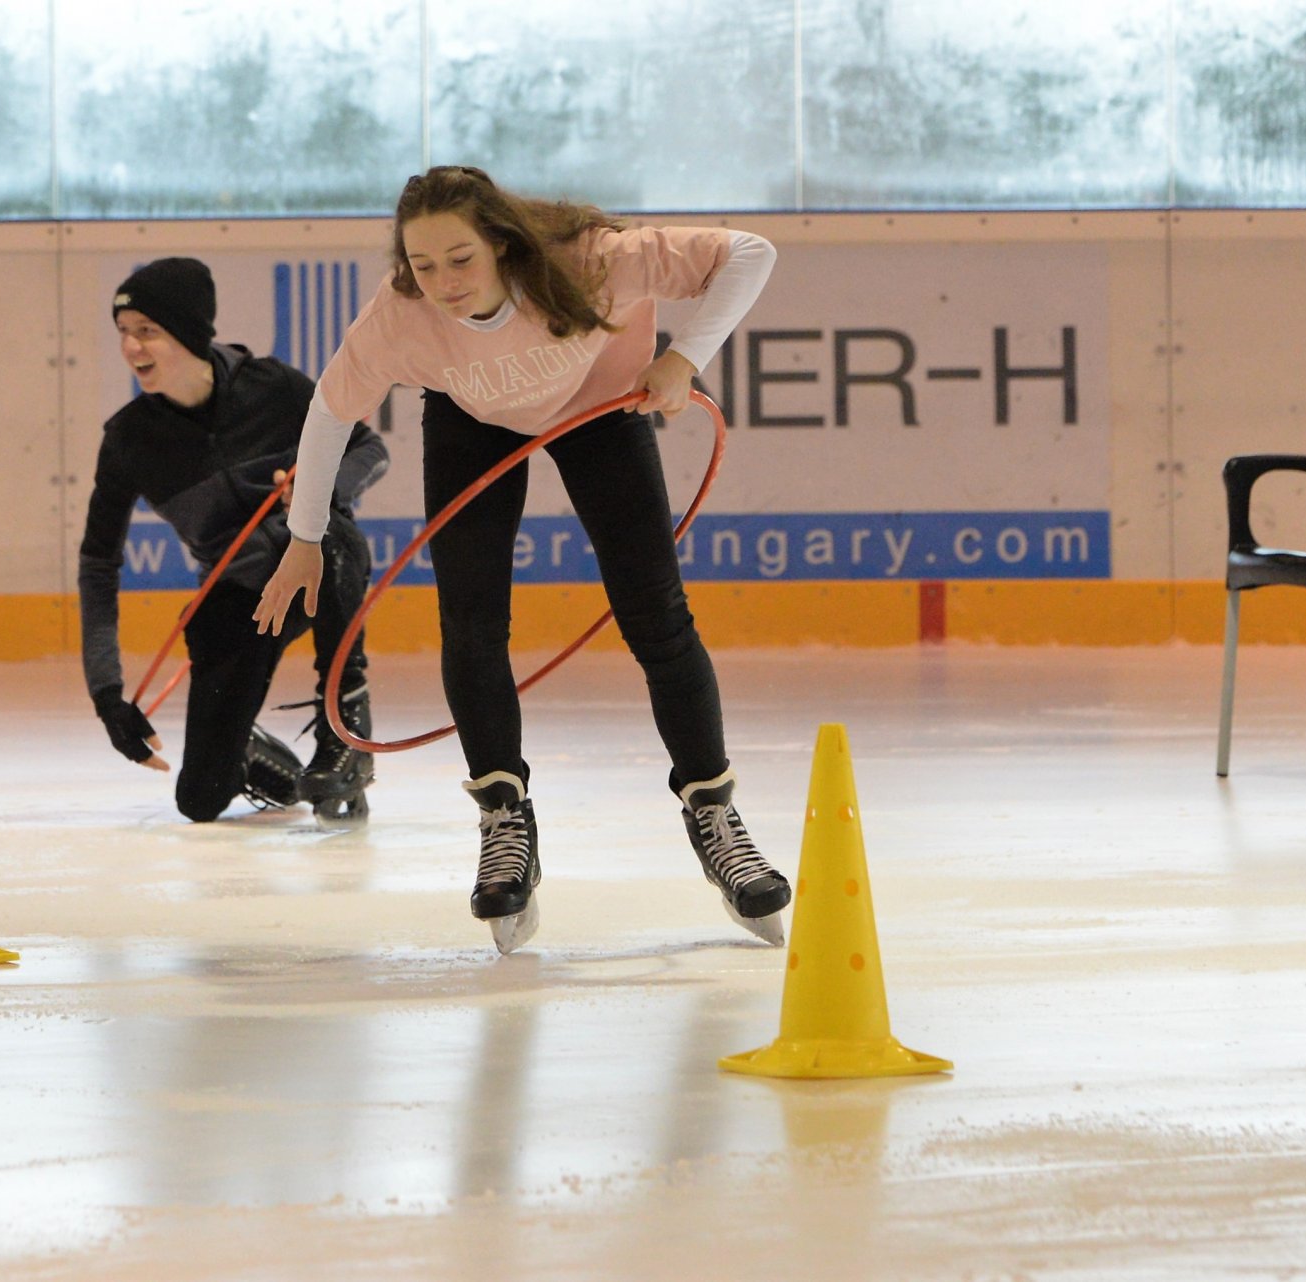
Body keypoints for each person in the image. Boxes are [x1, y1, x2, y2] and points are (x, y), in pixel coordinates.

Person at [253, 165, 785, 954]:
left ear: (502, 242)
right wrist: (302, 540)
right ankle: (504, 817)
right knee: (470, 623)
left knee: (656, 614)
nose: (443, 282)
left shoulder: (590, 260)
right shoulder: (402, 316)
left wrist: (685, 359)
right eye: (423, 264)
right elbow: (330, 412)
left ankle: (713, 811)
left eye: (460, 258)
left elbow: (751, 252)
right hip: (473, 426)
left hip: (603, 409)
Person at [80, 257, 389, 826]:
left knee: (331, 528)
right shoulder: (129, 440)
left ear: (189, 333)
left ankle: (345, 727)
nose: (131, 347)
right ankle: (242, 746)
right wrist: (107, 695)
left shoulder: (271, 386)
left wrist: (318, 490)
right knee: (199, 800)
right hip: (240, 593)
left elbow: (369, 449)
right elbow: (98, 563)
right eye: (124, 333)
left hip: (311, 560)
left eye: (147, 331)